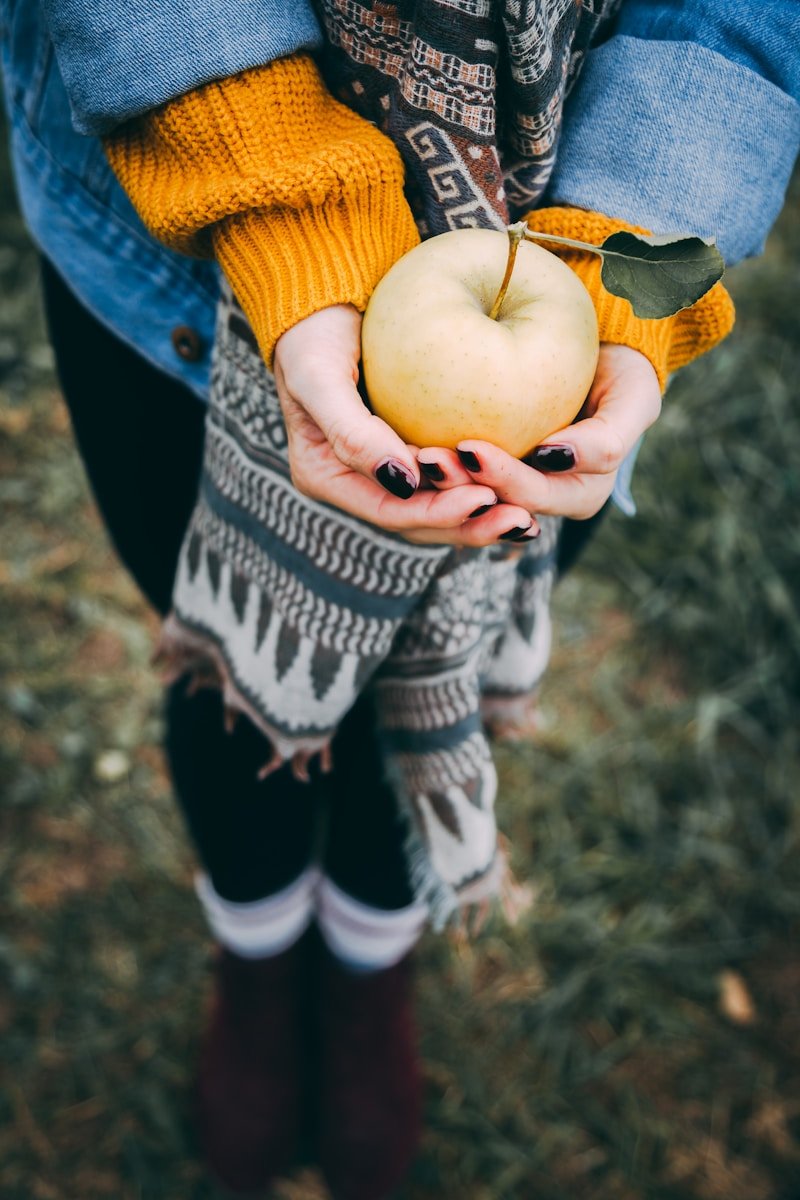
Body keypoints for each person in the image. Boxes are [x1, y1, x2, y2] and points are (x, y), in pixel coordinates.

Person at [3, 2, 798, 1197]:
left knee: (449, 646)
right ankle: (260, 963)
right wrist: (283, 206)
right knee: (226, 649)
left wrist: (624, 277)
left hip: (563, 250)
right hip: (184, 212)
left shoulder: (576, 288)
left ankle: (370, 965)